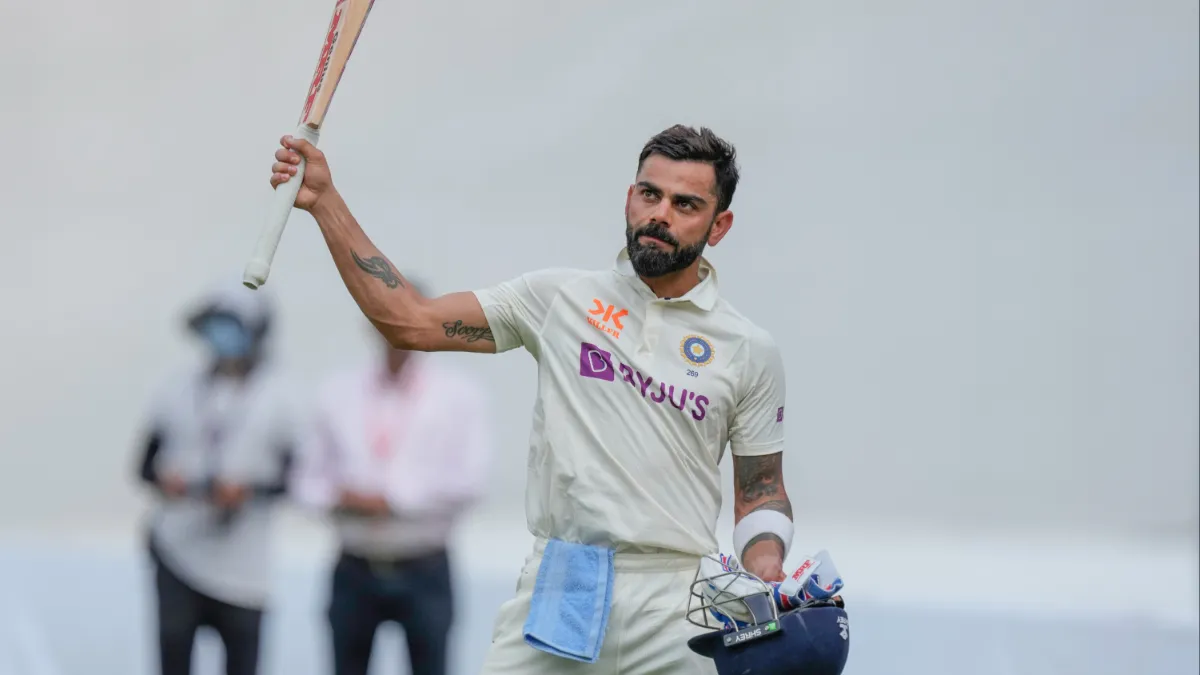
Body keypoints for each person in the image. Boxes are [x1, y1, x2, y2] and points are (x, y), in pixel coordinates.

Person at [264, 123, 793, 674]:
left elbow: (761, 494)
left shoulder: (748, 349)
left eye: (685, 204)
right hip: (566, 582)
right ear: (629, 197)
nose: (660, 214)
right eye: (649, 194)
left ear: (719, 224)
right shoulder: (558, 298)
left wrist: (766, 564)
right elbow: (409, 321)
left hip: (677, 601)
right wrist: (325, 202)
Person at [290, 308, 493, 675]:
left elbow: (470, 480)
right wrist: (339, 497)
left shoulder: (457, 394)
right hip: (355, 563)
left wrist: (393, 500)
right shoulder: (338, 392)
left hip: (424, 563)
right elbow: (305, 481)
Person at [134, 283, 296, 675]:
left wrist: (248, 492)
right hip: (179, 550)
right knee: (173, 660)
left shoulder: (283, 396)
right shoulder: (176, 388)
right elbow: (143, 466)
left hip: (244, 564)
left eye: (233, 324)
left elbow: (298, 479)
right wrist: (167, 482)